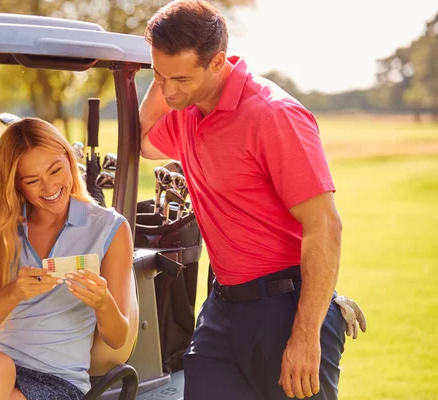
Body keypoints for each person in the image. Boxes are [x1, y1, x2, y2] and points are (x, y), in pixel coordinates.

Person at [140, 1, 365, 399]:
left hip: (287, 308)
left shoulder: (273, 116)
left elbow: (325, 225)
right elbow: (139, 138)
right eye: (159, 76)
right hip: (223, 307)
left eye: (181, 78)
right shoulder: (187, 113)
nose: (169, 91)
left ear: (217, 62)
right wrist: (164, 80)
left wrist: (305, 336)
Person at [0, 118, 135, 400]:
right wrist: (13, 292)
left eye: (56, 170)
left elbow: (117, 337)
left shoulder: (109, 228)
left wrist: (102, 301)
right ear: (15, 184)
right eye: (32, 180)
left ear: (69, 160)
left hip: (57, 378)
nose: (49, 187)